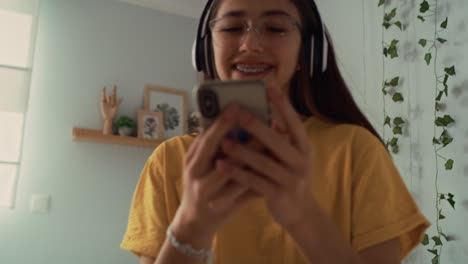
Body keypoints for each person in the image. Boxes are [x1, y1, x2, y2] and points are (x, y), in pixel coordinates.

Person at [120, 0, 430, 263]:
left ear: (307, 52)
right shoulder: (168, 162)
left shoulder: (358, 151)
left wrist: (301, 214)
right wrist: (191, 226)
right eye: (231, 28)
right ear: (205, 50)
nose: (251, 44)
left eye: (276, 28)